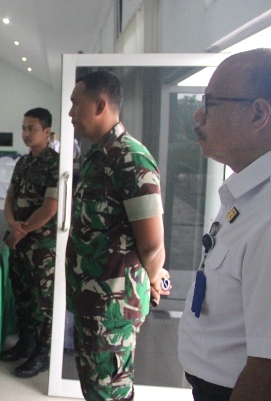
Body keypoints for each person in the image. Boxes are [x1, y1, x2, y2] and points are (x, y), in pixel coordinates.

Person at [66, 70, 170, 401]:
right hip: (90, 299)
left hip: (112, 307)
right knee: (95, 388)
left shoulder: (130, 157)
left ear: (100, 105)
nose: (70, 113)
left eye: (75, 104)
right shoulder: (97, 154)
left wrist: (151, 282)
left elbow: (152, 244)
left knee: (110, 391)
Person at [178, 48, 271, 401]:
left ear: (258, 113)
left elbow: (267, 368)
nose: (199, 115)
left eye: (211, 103)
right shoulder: (245, 194)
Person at [2, 107, 59, 378]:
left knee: (43, 301)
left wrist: (20, 231)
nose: (25, 133)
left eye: (31, 129)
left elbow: (50, 208)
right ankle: (25, 343)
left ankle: (43, 352)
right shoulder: (22, 163)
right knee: (22, 297)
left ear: (46, 132)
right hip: (20, 242)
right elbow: (10, 197)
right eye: (24, 128)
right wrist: (12, 224)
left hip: (42, 247)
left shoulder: (56, 164)